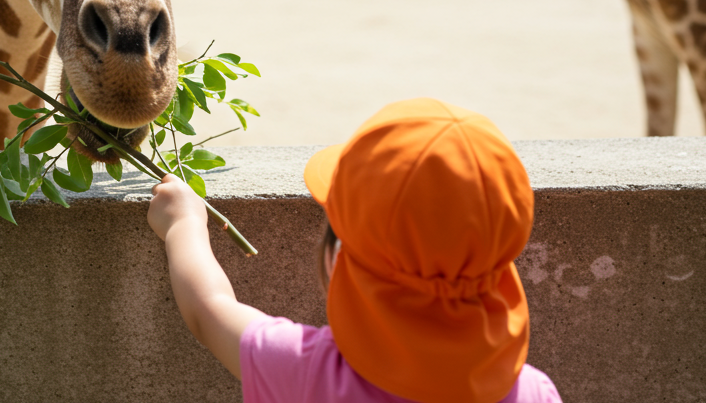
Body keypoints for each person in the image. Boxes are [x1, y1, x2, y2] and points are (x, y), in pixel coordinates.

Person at [146, 98, 562, 403]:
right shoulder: (533, 393)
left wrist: (184, 223)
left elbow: (208, 310)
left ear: (337, 257)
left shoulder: (307, 373)